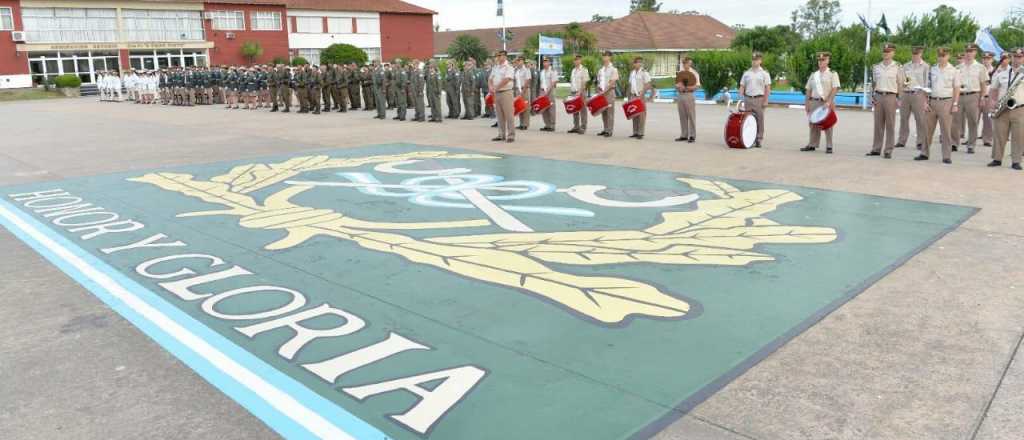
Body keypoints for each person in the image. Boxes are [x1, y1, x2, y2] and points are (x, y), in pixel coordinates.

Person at [917, 47, 961, 164]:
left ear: (948, 56)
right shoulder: (932, 70)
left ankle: (946, 156)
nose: (941, 58)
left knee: (946, 130)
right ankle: (924, 153)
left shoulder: (954, 70)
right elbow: (926, 87)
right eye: (939, 56)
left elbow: (956, 88)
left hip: (946, 102)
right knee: (927, 130)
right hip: (932, 101)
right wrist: (925, 102)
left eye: (943, 56)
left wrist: (955, 104)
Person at [988, 48, 1023, 170]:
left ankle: (1016, 161)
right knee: (999, 135)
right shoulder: (1001, 74)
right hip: (1002, 108)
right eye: (1015, 56)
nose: (1017, 59)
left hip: (1019, 109)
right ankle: (997, 159)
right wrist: (992, 103)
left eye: (1020, 57)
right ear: (1011, 58)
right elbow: (993, 90)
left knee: (1018, 136)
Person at [867, 43, 904, 157]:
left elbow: (900, 84)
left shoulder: (898, 67)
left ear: (893, 53)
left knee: (890, 124)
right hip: (878, 96)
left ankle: (888, 150)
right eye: (884, 51)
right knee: (878, 124)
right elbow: (873, 83)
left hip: (891, 96)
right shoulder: (876, 67)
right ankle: (876, 149)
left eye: (888, 52)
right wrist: (871, 96)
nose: (886, 54)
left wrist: (900, 98)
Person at [953, 44, 989, 154]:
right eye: (967, 51)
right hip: (960, 96)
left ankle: (971, 145)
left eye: (971, 51)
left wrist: (983, 97)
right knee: (955, 121)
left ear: (975, 53)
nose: (969, 53)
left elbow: (983, 84)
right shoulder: (958, 67)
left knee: (973, 121)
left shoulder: (980, 67)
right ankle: (954, 143)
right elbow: (954, 84)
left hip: (974, 95)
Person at [802, 52, 840, 154]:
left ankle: (829, 146)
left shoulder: (833, 73)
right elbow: (808, 89)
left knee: (828, 124)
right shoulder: (814, 75)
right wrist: (807, 103)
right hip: (814, 101)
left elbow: (835, 88)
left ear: (828, 61)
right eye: (819, 60)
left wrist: (829, 101)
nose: (821, 62)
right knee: (813, 123)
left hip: (826, 102)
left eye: (823, 60)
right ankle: (812, 144)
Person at [898, 46, 930, 150]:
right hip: (906, 94)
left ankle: (920, 142)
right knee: (903, 119)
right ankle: (901, 140)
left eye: (917, 54)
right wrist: (900, 96)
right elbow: (901, 82)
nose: (915, 56)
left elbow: (926, 83)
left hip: (919, 94)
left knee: (920, 119)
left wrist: (926, 100)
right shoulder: (905, 66)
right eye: (913, 54)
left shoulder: (926, 66)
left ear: (921, 54)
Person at [738, 52, 770, 147]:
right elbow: (742, 86)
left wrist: (766, 100)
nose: (754, 62)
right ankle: (749, 138)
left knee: (759, 119)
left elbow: (767, 88)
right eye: (753, 60)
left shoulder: (764, 73)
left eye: (756, 60)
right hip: (748, 99)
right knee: (748, 120)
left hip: (759, 99)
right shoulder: (746, 73)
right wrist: (740, 98)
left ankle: (759, 139)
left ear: (760, 61)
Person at [489, 50, 516, 143]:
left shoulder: (509, 67)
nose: (498, 57)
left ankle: (511, 135)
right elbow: (490, 79)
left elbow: (507, 79)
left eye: (500, 56)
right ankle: (501, 134)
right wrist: (491, 87)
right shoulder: (495, 67)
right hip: (497, 93)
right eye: (498, 56)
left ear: (505, 57)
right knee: (499, 115)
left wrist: (496, 87)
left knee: (509, 115)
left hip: (506, 92)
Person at [675, 56, 700, 142]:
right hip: (681, 95)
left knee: (691, 116)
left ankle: (692, 135)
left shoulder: (694, 73)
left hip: (689, 95)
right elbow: (676, 84)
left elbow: (697, 86)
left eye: (689, 63)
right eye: (685, 63)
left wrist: (688, 88)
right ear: (683, 63)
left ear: (690, 63)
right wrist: (678, 87)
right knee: (682, 116)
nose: (687, 65)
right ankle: (684, 135)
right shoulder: (680, 73)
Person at [627, 57, 652, 139]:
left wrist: (642, 93)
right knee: (634, 114)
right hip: (633, 95)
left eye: (640, 62)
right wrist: (629, 97)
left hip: (640, 96)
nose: (639, 64)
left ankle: (640, 133)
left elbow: (648, 85)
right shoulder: (632, 73)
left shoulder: (644, 73)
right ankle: (635, 132)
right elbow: (630, 85)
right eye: (637, 62)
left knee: (641, 115)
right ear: (634, 64)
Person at [595, 51, 618, 137]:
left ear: (610, 57)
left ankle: (609, 130)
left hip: (609, 93)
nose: (604, 57)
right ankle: (605, 129)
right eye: (603, 56)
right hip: (601, 93)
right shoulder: (601, 70)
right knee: (603, 112)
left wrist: (604, 91)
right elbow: (598, 81)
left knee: (609, 112)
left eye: (606, 56)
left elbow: (612, 82)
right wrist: (598, 91)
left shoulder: (613, 69)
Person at [568, 55, 590, 135]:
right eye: (575, 60)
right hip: (573, 92)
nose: (576, 61)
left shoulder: (584, 70)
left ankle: (583, 127)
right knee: (575, 109)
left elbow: (584, 82)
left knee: (583, 109)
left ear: (580, 60)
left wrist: (579, 92)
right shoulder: (573, 70)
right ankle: (576, 127)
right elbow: (572, 82)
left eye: (577, 60)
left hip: (581, 92)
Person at [536, 57, 558, 132]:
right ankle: (547, 125)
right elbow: (540, 83)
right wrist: (540, 93)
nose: (545, 63)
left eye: (546, 62)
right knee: (543, 108)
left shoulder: (552, 71)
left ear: (549, 63)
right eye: (544, 62)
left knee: (551, 109)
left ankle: (552, 125)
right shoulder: (542, 72)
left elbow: (553, 82)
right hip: (542, 91)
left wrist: (547, 92)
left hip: (550, 91)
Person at [981, 52, 996, 147]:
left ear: (992, 60)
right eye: (984, 58)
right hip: (978, 96)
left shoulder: (996, 71)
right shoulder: (978, 69)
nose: (986, 60)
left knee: (988, 119)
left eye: (988, 58)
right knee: (974, 119)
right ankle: (971, 139)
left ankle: (987, 139)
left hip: (988, 96)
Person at [514, 57, 532, 129]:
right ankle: (521, 123)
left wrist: (523, 91)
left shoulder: (526, 70)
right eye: (517, 61)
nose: (518, 62)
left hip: (524, 90)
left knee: (526, 107)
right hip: (518, 90)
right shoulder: (516, 70)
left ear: (523, 62)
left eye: (520, 61)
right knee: (519, 107)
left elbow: (528, 80)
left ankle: (525, 124)